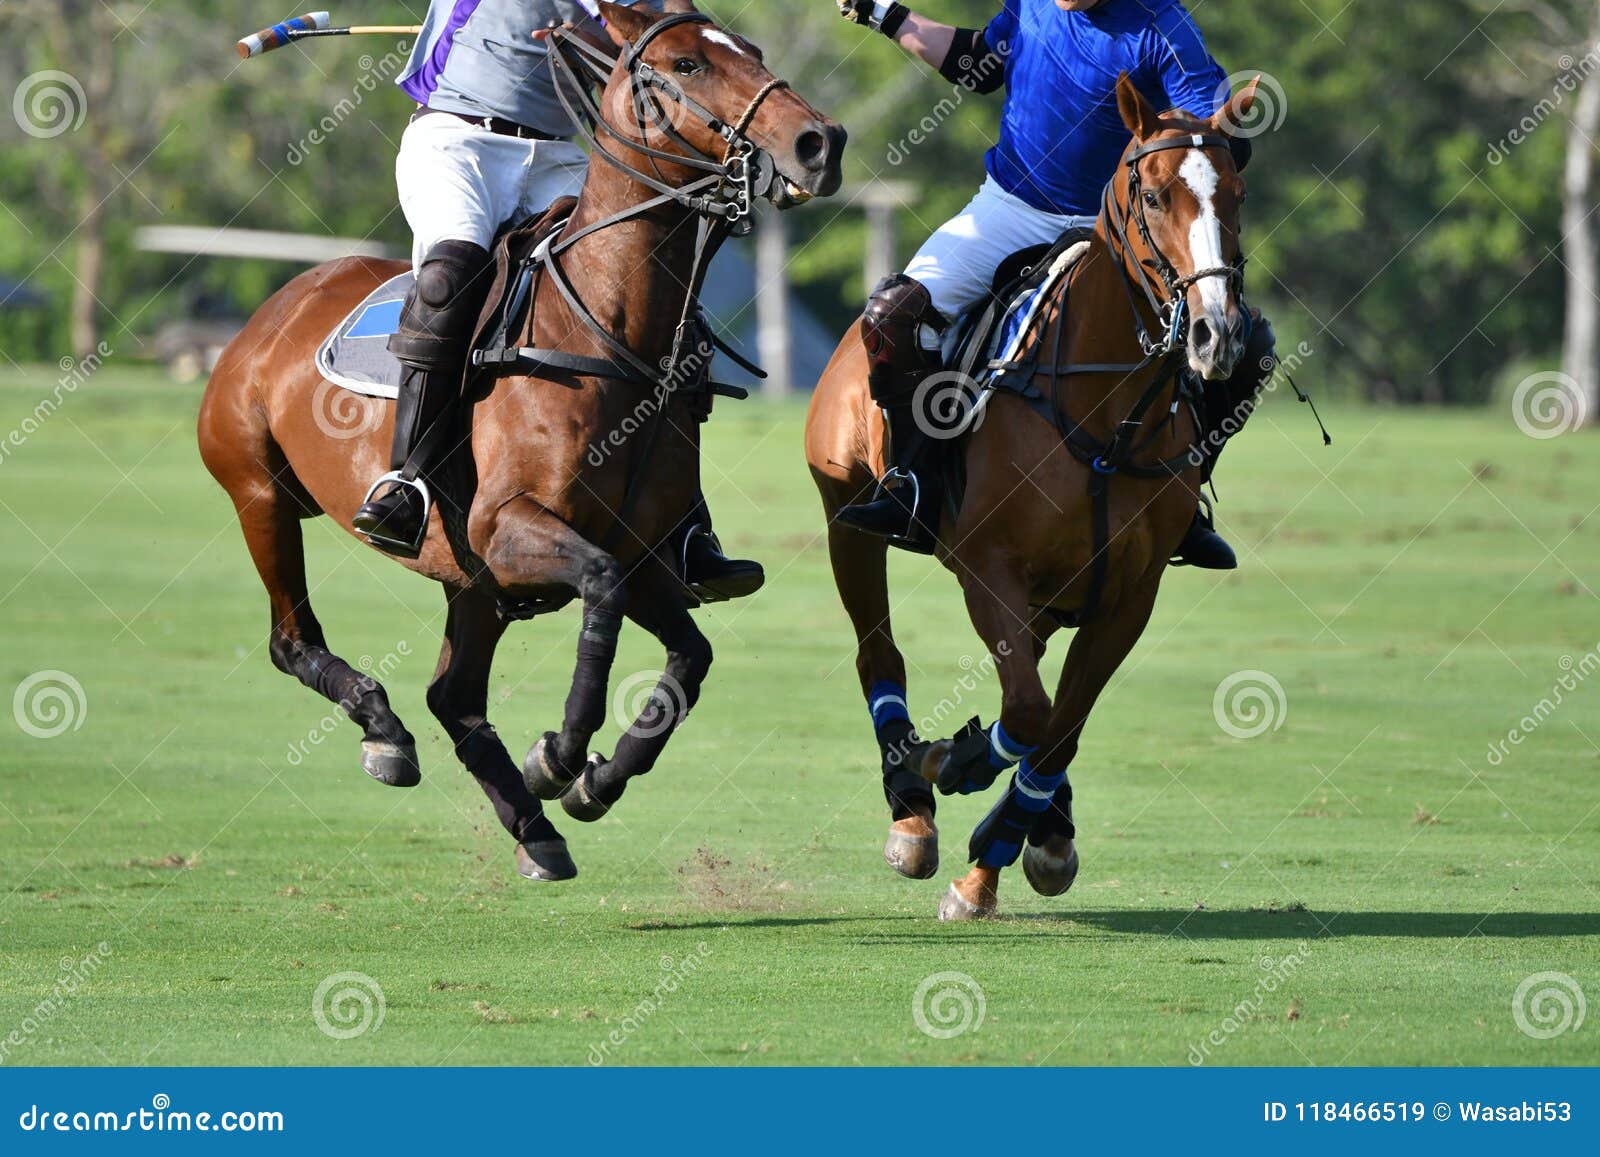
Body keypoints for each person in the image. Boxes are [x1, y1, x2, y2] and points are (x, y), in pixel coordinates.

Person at [833, 0, 1273, 566]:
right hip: (1010, 209)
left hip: (1120, 228)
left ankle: (1180, 503)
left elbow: (1216, 141)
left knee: (1253, 347)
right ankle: (912, 486)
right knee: (894, 314)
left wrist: (1218, 138)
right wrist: (885, 15)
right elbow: (982, 64)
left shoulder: (1165, 26)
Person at [353, 0, 764, 602]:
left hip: (555, 155)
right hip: (458, 141)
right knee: (449, 275)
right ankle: (405, 482)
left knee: (658, 297)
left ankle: (685, 525)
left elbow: (677, 27)